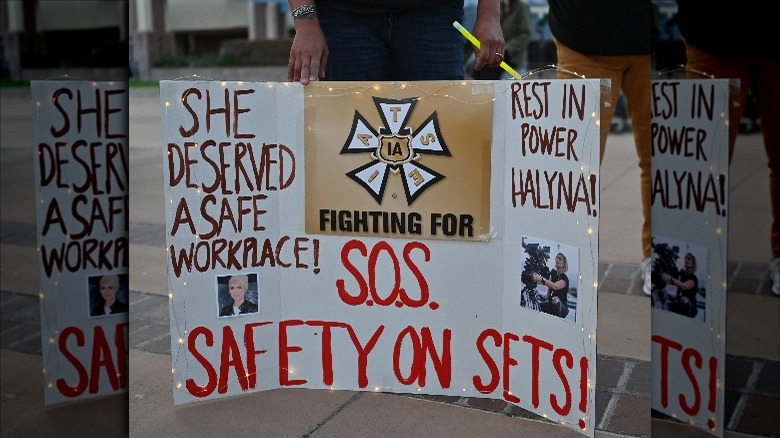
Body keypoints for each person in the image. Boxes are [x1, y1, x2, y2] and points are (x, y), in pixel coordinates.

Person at [546, 0, 653, 295]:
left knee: (661, 162)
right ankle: (564, 265)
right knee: (577, 168)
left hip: (642, 40)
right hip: (583, 41)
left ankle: (661, 255)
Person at [675, 0, 780, 297]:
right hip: (712, 35)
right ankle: (694, 260)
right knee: (702, 167)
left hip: (716, 32)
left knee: (703, 166)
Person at [286, 0, 505, 84]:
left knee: (441, 132)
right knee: (346, 135)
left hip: (434, 14)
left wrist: (489, 14)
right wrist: (306, 22)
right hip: (343, 16)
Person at [466, 0, 531, 80]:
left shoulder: (522, 7)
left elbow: (525, 35)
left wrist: (506, 47)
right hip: (495, 54)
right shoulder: (497, 6)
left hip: (513, 58)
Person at [532, 252, 570, 318]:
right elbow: (550, 287)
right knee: (537, 306)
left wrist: (541, 279)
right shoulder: (553, 273)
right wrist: (546, 297)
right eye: (557, 258)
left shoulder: (564, 278)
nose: (557, 259)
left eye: (560, 259)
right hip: (552, 303)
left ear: (564, 264)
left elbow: (555, 286)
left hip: (562, 308)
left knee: (556, 300)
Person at [662, 252, 699, 318]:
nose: (686, 260)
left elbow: (684, 286)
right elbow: (679, 286)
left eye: (689, 259)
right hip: (681, 303)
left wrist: (670, 278)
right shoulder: (682, 274)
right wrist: (676, 297)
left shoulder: (694, 278)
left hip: (689, 307)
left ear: (693, 264)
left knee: (685, 299)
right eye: (686, 258)